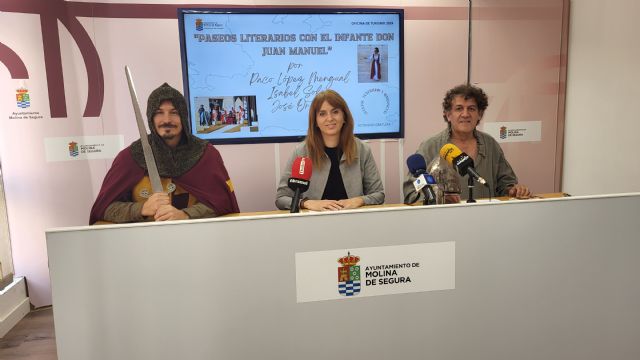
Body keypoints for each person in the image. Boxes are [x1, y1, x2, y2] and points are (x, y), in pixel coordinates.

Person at [89, 83, 239, 224]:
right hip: (142, 244)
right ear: (150, 118)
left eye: (174, 113)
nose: (167, 120)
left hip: (197, 240)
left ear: (184, 117)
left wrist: (186, 215)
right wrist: (141, 209)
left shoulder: (206, 155)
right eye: (159, 113)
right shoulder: (129, 158)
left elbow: (223, 203)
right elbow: (105, 209)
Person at [403, 84, 530, 203]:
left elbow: (506, 184)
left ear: (479, 114)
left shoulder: (490, 145)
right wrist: (437, 197)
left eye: (471, 109)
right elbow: (410, 194)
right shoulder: (430, 146)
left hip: (486, 220)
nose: (465, 114)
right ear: (448, 115)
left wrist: (513, 190)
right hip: (443, 221)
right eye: (459, 109)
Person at [275, 90, 384, 211]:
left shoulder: (362, 150)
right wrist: (307, 203)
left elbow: (378, 194)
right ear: (315, 121)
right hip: (313, 223)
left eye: (335, 112)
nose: (330, 118)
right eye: (322, 114)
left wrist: (359, 200)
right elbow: (281, 198)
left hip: (353, 221)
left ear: (344, 117)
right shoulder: (301, 152)